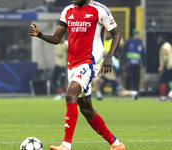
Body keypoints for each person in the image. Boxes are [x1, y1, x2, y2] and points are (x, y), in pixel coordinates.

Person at [29, 0, 124, 150]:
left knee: (70, 94)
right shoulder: (68, 11)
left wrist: (109, 56)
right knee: (86, 109)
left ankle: (66, 145)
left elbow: (116, 34)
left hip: (89, 62)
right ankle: (116, 144)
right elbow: (56, 39)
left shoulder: (100, 10)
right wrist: (39, 34)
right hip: (72, 65)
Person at [123, 28, 146, 93]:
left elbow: (143, 54)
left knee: (137, 78)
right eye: (137, 34)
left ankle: (136, 91)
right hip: (129, 64)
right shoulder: (129, 42)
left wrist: (144, 64)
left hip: (137, 64)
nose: (138, 35)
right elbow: (123, 52)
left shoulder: (140, 43)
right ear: (134, 35)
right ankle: (128, 90)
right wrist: (126, 61)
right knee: (129, 77)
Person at [156, 34, 172, 102]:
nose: (158, 41)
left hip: (168, 66)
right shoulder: (169, 45)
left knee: (163, 80)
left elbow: (165, 58)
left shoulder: (164, 47)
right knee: (169, 81)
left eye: (159, 39)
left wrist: (161, 67)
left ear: (162, 39)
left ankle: (163, 97)